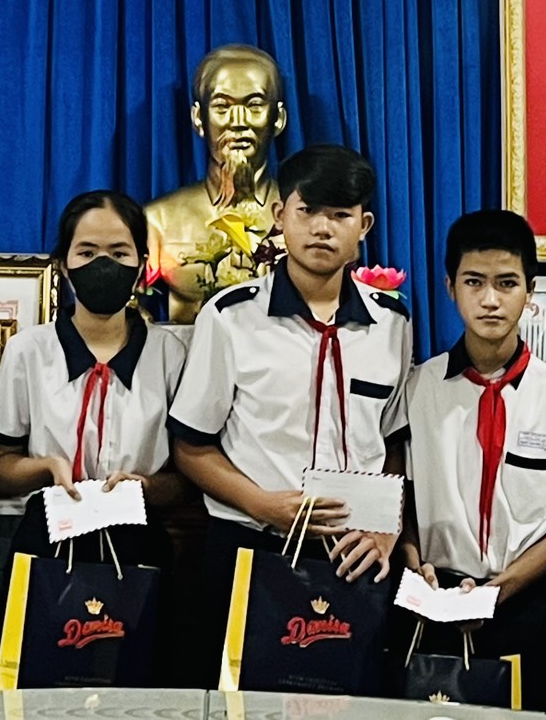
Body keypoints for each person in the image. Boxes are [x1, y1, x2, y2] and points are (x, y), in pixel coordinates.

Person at [170, 142, 414, 644]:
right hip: (251, 542)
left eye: (340, 215)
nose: (323, 228)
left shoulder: (393, 322)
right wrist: (263, 506)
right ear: (280, 216)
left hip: (355, 551)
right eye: (309, 211)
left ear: (364, 226)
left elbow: (393, 442)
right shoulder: (231, 316)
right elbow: (191, 447)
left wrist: (386, 530)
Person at [396, 209, 546, 703]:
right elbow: (400, 498)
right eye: (474, 282)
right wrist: (414, 564)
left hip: (523, 602)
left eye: (507, 283)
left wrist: (500, 590)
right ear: (450, 287)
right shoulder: (420, 388)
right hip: (431, 598)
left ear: (530, 291)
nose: (490, 300)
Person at [0, 188, 186, 568]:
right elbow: (0, 466)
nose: (103, 265)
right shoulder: (29, 350)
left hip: (138, 541)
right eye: (87, 253)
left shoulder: (169, 354)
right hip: (48, 538)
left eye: (119, 253)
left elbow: (185, 476)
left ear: (141, 264)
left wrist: (146, 487)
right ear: (64, 264)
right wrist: (47, 468)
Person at [145, 45, 289, 320]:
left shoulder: (304, 217)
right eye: (222, 107)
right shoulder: (158, 221)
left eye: (254, 105)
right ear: (199, 118)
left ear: (278, 119)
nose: (238, 122)